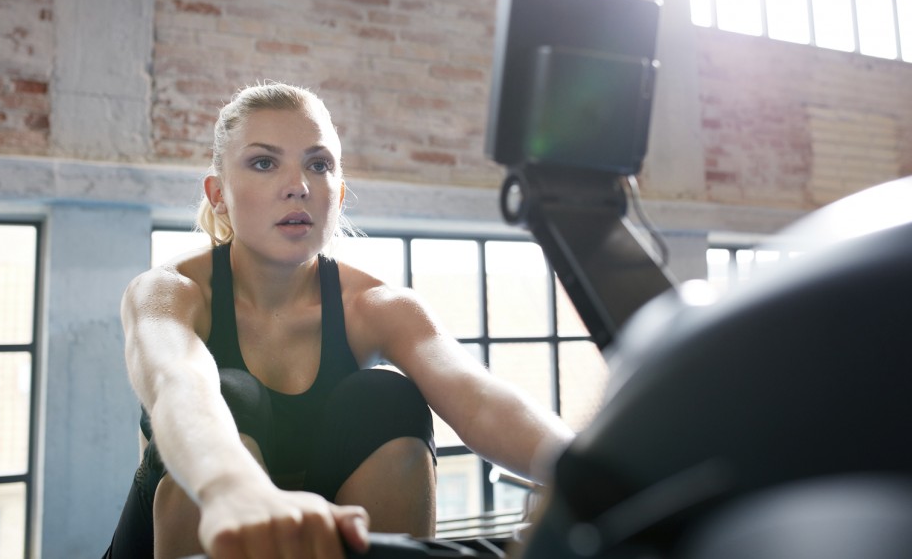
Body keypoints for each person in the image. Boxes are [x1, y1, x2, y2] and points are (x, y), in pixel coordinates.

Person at [103, 82, 575, 559]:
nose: (298, 185)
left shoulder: (375, 304)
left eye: (318, 164)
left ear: (340, 194)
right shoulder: (170, 292)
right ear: (218, 193)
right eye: (264, 163)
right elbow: (177, 383)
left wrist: (599, 476)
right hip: (181, 532)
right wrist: (232, 489)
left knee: (385, 397)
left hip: (331, 540)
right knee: (230, 392)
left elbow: (479, 400)